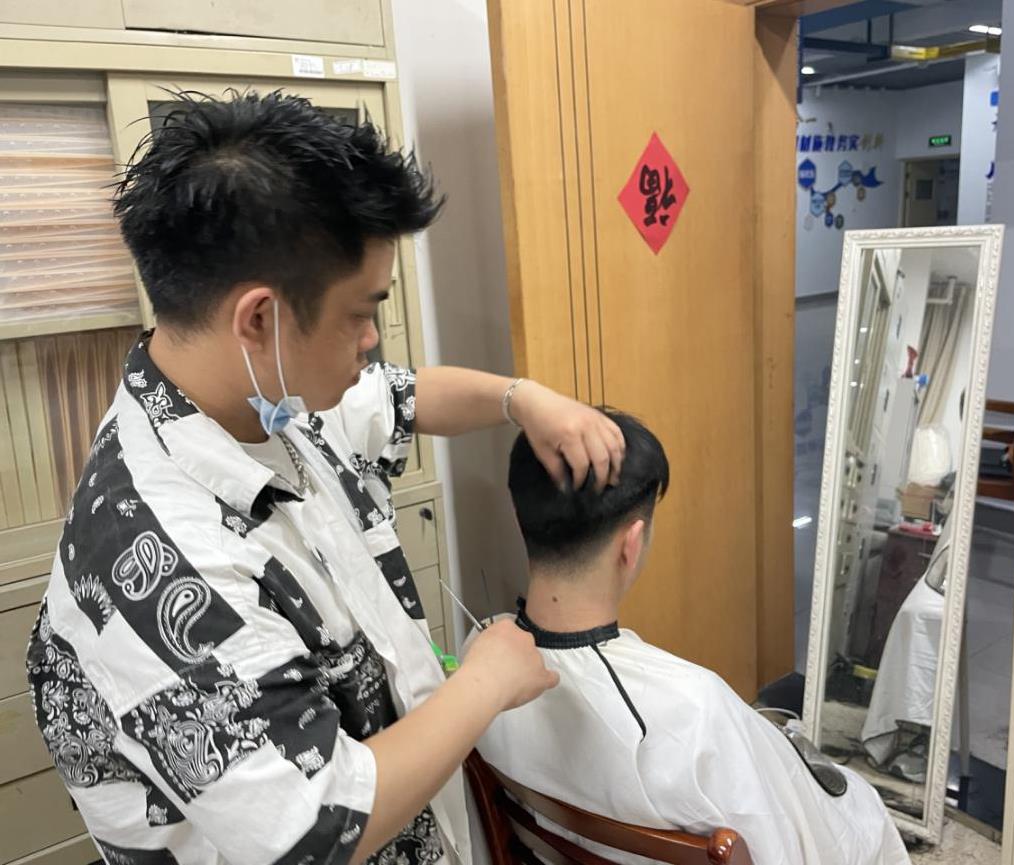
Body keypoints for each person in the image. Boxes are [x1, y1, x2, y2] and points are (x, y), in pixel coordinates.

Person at [25, 90, 627, 865]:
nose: (373, 339)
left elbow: (403, 396)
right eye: (360, 311)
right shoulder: (158, 559)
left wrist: (521, 398)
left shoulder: (265, 399)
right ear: (259, 319)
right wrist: (482, 684)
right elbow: (312, 829)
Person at [476, 410, 911, 865]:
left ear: (519, 517)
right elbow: (789, 847)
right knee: (861, 809)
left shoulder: (479, 660)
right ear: (631, 543)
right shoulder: (694, 709)